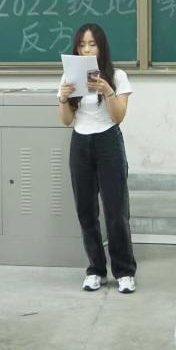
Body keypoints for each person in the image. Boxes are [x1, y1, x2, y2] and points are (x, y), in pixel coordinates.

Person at [57, 23, 136, 293]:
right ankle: (96, 270)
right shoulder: (69, 77)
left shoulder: (118, 76)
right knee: (86, 211)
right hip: (80, 142)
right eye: (82, 45)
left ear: (101, 47)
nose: (87, 49)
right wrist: (63, 99)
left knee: (116, 210)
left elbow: (119, 116)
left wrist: (107, 90)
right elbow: (66, 120)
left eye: (92, 44)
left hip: (108, 140)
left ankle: (124, 271)